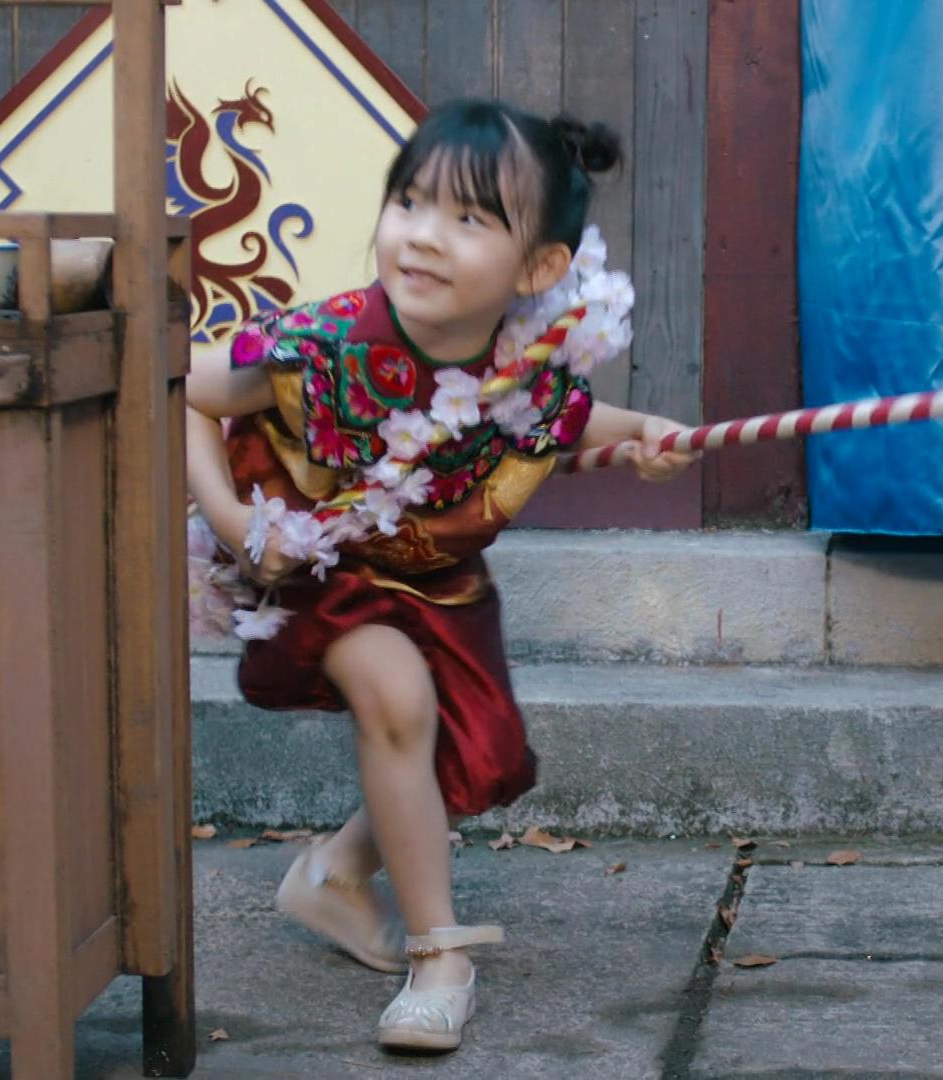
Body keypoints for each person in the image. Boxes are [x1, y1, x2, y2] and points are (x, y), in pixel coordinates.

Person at [182, 97, 695, 1052]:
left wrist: (645, 435)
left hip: (442, 586)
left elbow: (569, 419)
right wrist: (233, 520)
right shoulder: (323, 343)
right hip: (324, 569)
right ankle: (440, 958)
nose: (422, 235)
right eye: (410, 202)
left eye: (468, 218)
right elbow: (187, 394)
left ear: (538, 269)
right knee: (398, 701)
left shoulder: (526, 367)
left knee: (481, 758)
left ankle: (337, 873)